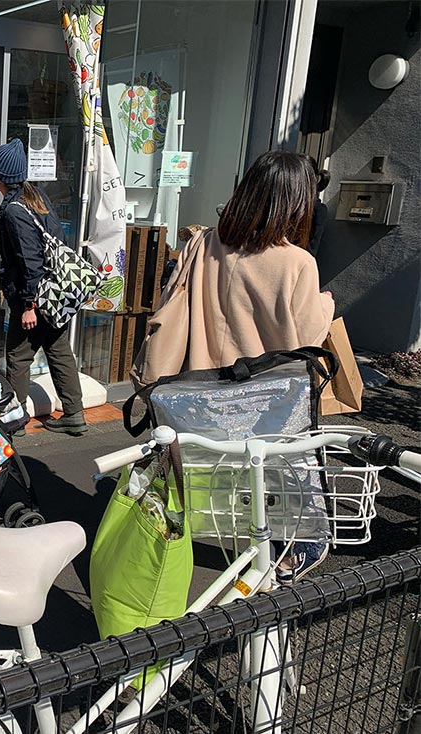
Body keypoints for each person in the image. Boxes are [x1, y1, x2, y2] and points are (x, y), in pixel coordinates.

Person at [142, 150, 335, 582]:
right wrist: (327, 303)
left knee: (217, 472)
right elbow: (305, 341)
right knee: (285, 478)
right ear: (296, 202)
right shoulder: (298, 263)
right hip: (267, 397)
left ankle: (239, 539)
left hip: (204, 387)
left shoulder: (206, 244)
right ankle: (295, 550)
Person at [0, 138, 87, 436]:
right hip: (55, 293)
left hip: (34, 296)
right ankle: (74, 414)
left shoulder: (15, 211)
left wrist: (29, 305)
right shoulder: (36, 197)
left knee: (18, 357)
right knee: (58, 351)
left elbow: (29, 260)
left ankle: (16, 421)